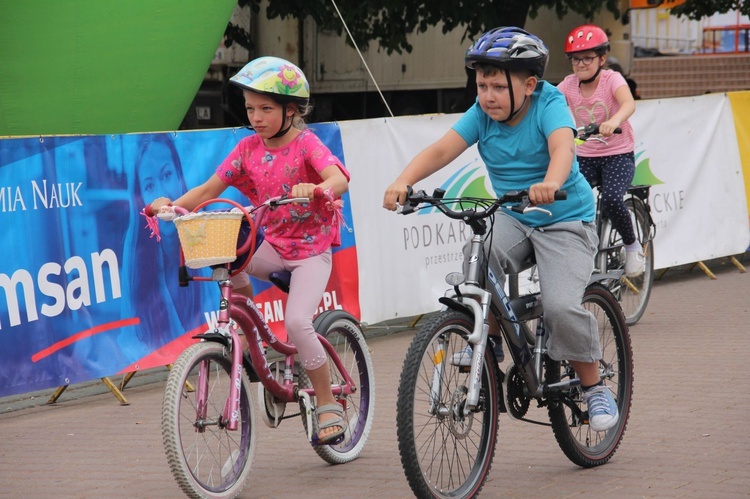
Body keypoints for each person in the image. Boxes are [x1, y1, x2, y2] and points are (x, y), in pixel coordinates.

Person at [382, 27, 619, 432]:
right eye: (481, 85)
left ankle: (594, 384)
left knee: (561, 306)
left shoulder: (549, 103)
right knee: (480, 254)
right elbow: (442, 149)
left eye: (496, 86)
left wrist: (551, 181)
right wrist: (402, 181)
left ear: (529, 85)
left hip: (563, 217)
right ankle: (488, 337)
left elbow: (563, 147)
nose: (487, 95)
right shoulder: (481, 114)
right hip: (513, 213)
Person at [150, 56, 351, 445]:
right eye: (250, 108)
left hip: (311, 252)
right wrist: (172, 207)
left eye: (266, 109)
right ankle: (252, 336)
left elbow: (337, 177)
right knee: (229, 258)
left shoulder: (306, 143)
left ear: (292, 111)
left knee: (296, 323)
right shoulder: (247, 149)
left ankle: (327, 402)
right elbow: (209, 190)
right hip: (273, 246)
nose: (256, 117)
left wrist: (318, 188)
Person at [558, 24, 644, 277]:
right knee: (567, 199)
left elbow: (628, 103)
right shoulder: (568, 85)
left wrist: (614, 121)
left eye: (587, 58)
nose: (581, 64)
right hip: (585, 156)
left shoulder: (611, 79)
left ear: (602, 59)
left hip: (618, 155)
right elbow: (549, 102)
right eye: (575, 59)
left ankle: (632, 246)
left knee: (612, 199)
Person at [121, 134, 205, 360]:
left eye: (167, 175)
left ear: (180, 177)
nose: (162, 195)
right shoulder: (135, 265)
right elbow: (128, 346)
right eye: (149, 185)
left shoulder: (205, 237)